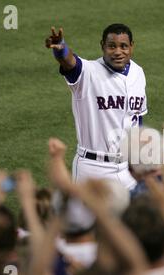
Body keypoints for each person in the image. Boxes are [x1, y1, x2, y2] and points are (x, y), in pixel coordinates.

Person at [45, 23, 148, 190]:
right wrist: (61, 48)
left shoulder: (138, 73)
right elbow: (70, 62)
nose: (117, 52)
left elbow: (137, 117)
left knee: (134, 215)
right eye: (111, 46)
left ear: (132, 46)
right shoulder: (88, 72)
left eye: (123, 46)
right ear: (102, 46)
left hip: (127, 170)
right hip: (93, 169)